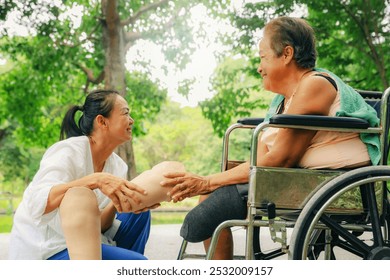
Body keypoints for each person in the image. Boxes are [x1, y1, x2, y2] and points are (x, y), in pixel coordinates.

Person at [160, 16, 380, 259]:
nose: (259, 67)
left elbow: (282, 159)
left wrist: (208, 180)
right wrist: (208, 183)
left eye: (263, 57)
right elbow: (262, 158)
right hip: (304, 179)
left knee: (206, 210)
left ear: (286, 54)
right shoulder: (284, 102)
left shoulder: (315, 85)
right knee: (209, 196)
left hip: (336, 183)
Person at [9, 89, 183, 260]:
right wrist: (95, 180)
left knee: (138, 212)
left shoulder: (117, 166)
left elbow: (98, 225)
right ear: (102, 121)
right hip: (50, 247)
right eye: (125, 113)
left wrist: (120, 203)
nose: (132, 120)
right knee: (138, 265)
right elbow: (38, 203)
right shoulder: (67, 151)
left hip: (89, 243)